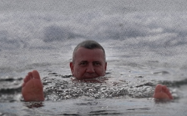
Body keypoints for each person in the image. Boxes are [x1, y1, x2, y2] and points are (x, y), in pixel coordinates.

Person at [21, 40, 173, 102]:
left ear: (105, 67)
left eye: (96, 64)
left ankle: (157, 102)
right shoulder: (59, 85)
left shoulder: (115, 83)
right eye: (83, 64)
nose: (90, 70)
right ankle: (36, 102)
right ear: (72, 67)